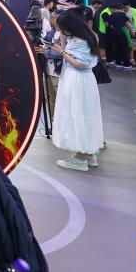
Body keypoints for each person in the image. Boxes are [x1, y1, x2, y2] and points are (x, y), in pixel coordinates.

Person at [49, 11, 105, 171]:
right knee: (84, 115)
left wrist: (62, 52)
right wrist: (63, 42)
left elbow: (81, 64)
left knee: (78, 116)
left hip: (77, 81)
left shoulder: (82, 40)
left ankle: (80, 159)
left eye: (62, 28)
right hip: (78, 80)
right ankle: (88, 153)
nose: (60, 31)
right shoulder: (84, 36)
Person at [104, 3, 134, 69]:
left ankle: (118, 62)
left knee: (118, 47)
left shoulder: (111, 15)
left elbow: (110, 26)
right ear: (121, 8)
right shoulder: (122, 14)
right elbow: (127, 24)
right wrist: (132, 31)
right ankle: (126, 64)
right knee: (125, 47)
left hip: (114, 32)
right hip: (122, 31)